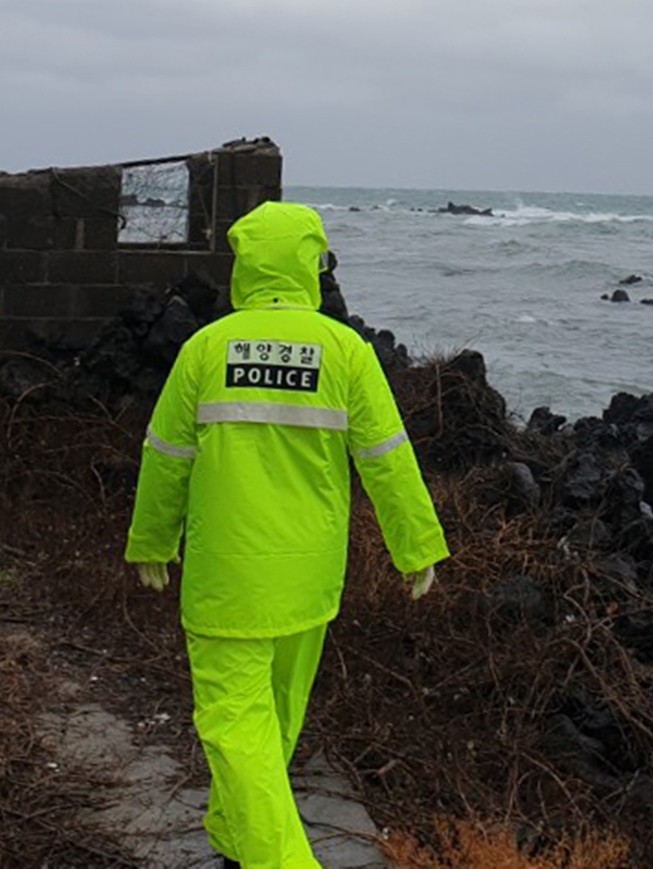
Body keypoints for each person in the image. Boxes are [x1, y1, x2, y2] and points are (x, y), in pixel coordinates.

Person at [124, 201, 449, 868]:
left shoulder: (206, 348)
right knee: (271, 714)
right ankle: (233, 833)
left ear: (244, 266)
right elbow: (389, 458)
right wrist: (415, 546)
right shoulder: (345, 350)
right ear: (312, 265)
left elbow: (165, 455)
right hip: (307, 576)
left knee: (234, 721)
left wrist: (152, 538)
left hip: (228, 574)